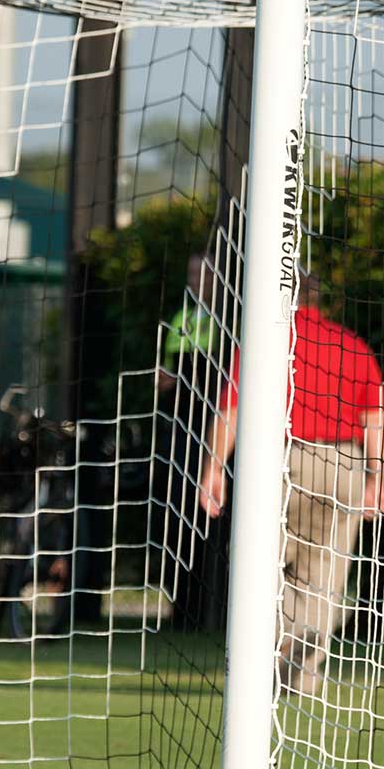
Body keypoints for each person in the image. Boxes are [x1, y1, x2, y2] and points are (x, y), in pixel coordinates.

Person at [199, 274, 384, 696]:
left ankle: (259, 666)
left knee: (260, 567)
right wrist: (377, 478)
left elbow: (232, 407)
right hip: (343, 465)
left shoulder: (268, 342)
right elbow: (375, 419)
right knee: (323, 578)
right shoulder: (351, 344)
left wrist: (213, 466)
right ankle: (301, 677)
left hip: (282, 459)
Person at [154, 253, 227, 631]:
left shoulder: (227, 321)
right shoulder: (181, 320)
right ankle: (181, 608)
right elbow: (167, 374)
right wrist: (165, 380)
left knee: (213, 520)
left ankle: (212, 609)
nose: (198, 280)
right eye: (193, 273)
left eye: (205, 274)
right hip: (182, 433)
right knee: (179, 517)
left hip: (214, 433)